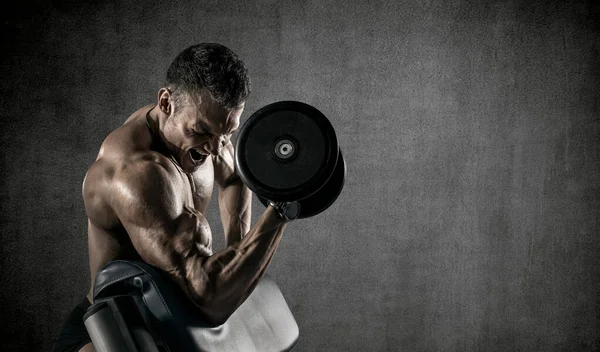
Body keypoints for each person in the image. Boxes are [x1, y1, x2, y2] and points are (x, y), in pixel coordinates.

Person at [52, 43, 299, 352]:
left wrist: (238, 245)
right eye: (202, 132)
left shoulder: (210, 130)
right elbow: (208, 298)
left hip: (178, 327)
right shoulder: (134, 173)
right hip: (116, 335)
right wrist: (278, 214)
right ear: (166, 102)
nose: (215, 147)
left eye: (226, 134)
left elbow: (235, 177)